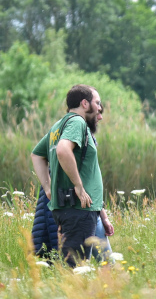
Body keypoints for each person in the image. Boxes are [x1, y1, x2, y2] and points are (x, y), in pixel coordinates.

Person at [30, 84, 114, 266]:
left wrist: (48, 188)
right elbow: (62, 150)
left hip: (68, 208)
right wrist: (78, 186)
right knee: (76, 269)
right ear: (85, 103)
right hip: (79, 210)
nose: (100, 108)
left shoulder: (58, 126)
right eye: (97, 103)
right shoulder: (78, 122)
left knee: (74, 266)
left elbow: (36, 154)